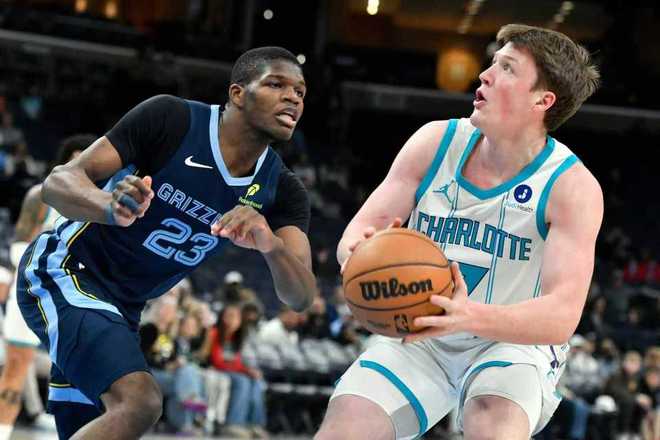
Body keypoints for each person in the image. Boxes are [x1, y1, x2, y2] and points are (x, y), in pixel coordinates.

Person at [316, 24, 603, 440]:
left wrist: (468, 317)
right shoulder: (435, 142)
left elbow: (561, 315)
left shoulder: (570, 186)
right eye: (492, 63)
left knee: (495, 424)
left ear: (543, 100)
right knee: (347, 426)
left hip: (509, 341)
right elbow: (360, 231)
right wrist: (358, 253)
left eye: (507, 68)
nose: (484, 75)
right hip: (420, 329)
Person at [16, 46, 317, 440]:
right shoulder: (173, 120)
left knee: (97, 424)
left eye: (300, 91)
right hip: (67, 271)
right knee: (140, 402)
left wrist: (270, 244)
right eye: (277, 84)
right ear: (238, 93)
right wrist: (109, 206)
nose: (293, 97)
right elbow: (57, 184)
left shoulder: (282, 190)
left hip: (125, 308)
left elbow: (301, 296)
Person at [0, 134, 96, 440]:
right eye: (76, 158)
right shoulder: (40, 195)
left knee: (79, 377)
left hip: (77, 295)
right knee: (16, 368)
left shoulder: (104, 203)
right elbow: (18, 245)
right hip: (35, 288)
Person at [205, 304, 268, 438]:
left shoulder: (237, 337)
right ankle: (234, 423)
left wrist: (248, 371)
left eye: (236, 317)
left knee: (256, 382)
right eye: (230, 316)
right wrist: (244, 371)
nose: (233, 320)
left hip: (232, 371)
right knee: (242, 381)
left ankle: (254, 424)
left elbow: (237, 362)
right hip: (216, 369)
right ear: (223, 318)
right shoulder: (214, 333)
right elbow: (217, 361)